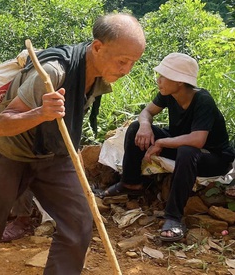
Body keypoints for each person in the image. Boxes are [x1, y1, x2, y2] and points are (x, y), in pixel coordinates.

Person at [0, 13, 146, 275]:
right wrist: (41, 113)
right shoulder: (54, 72)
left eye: (133, 63)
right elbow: (4, 124)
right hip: (12, 154)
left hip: (54, 156)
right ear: (98, 47)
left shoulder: (99, 74)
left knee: (79, 223)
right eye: (123, 61)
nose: (126, 70)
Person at [99, 53, 234, 242]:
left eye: (163, 76)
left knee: (188, 150)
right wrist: (145, 126)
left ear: (179, 81)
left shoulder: (203, 100)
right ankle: (130, 183)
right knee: (137, 127)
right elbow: (146, 112)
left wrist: (162, 142)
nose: (158, 80)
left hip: (212, 157)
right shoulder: (168, 94)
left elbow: (197, 140)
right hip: (182, 145)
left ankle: (174, 217)